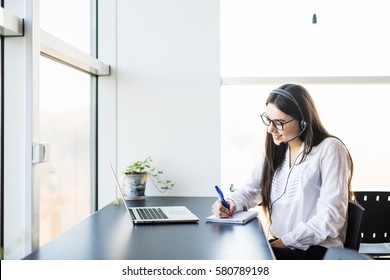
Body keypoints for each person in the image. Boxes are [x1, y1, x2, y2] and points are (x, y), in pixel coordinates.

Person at [212, 84, 354, 260]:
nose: (270, 129)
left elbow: (330, 219)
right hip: (283, 244)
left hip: (315, 250)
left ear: (303, 121)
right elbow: (253, 189)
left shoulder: (330, 149)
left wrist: (285, 242)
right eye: (268, 120)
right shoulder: (277, 147)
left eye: (279, 123)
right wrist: (231, 202)